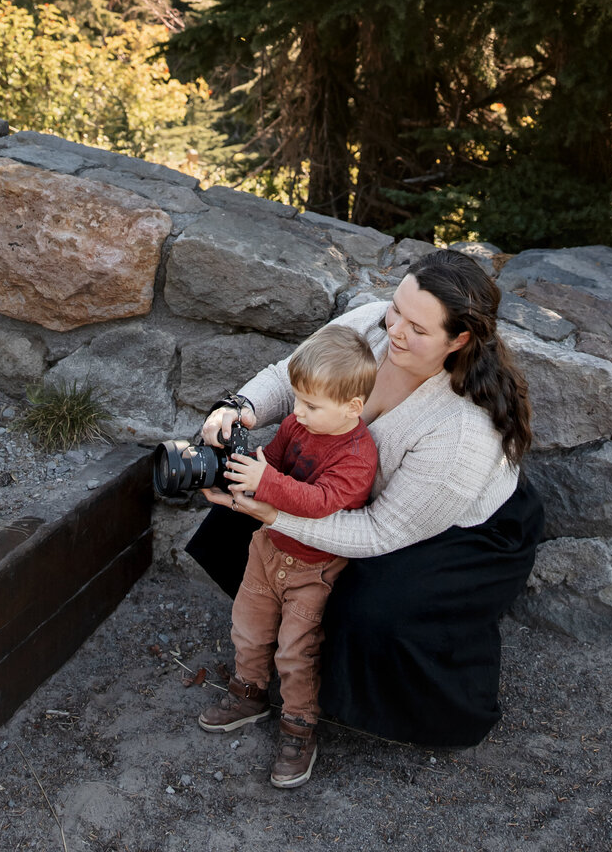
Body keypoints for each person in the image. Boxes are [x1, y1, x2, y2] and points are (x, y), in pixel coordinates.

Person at [190, 248, 544, 749]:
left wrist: (277, 513)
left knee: (372, 609)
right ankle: (277, 633)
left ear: (459, 339)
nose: (395, 328)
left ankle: (361, 696)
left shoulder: (462, 433)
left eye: (418, 329)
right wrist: (239, 408)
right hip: (355, 486)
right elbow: (291, 379)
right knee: (241, 499)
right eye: (397, 307)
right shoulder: (372, 325)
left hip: (459, 531)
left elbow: (379, 531)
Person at [197, 325, 378, 789]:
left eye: (310, 405)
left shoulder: (358, 455)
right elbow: (274, 462)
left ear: (352, 407)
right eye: (296, 399)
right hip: (268, 549)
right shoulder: (301, 423)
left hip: (314, 569)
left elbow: (319, 502)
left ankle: (299, 728)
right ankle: (249, 693)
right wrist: (237, 472)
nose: (296, 413)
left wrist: (266, 482)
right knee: (249, 626)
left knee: (297, 651)